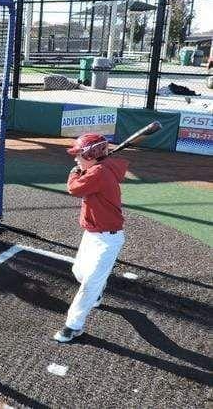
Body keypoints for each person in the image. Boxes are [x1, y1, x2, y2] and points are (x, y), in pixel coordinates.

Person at [54, 133, 129, 343]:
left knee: (88, 285)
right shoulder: (99, 168)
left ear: (91, 155)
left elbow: (73, 188)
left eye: (79, 154)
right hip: (92, 234)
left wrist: (75, 171)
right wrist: (83, 168)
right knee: (78, 271)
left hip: (108, 240)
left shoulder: (100, 172)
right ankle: (98, 290)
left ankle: (73, 326)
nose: (76, 158)